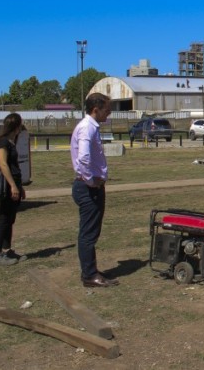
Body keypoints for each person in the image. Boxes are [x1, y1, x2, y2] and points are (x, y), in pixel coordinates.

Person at [71, 93, 119, 288]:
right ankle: (89, 275)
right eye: (106, 109)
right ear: (95, 109)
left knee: (91, 231)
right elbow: (83, 158)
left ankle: (90, 271)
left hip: (91, 186)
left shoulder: (91, 127)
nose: (109, 112)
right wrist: (91, 181)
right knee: (88, 233)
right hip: (88, 188)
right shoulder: (87, 128)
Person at [0, 113, 27, 266]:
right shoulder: (3, 142)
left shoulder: (11, 141)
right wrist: (12, 185)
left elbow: (14, 166)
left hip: (14, 184)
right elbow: (3, 164)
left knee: (10, 218)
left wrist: (20, 187)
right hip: (6, 186)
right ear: (16, 126)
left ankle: (7, 249)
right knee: (4, 218)